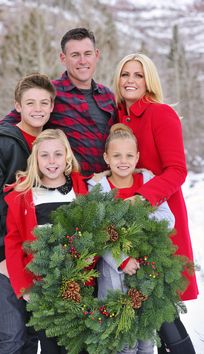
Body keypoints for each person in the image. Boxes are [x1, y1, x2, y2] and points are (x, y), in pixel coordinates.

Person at [112, 53, 197, 353]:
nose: (130, 80)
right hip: (125, 223)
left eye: (138, 75)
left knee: (159, 302)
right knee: (143, 304)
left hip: (160, 218)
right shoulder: (118, 117)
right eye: (125, 74)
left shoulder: (161, 114)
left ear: (148, 80)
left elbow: (177, 169)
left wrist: (143, 198)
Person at [0, 73, 56, 354]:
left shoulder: (53, 143)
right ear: (17, 105)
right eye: (30, 102)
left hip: (44, 248)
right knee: (13, 334)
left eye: (44, 102)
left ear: (53, 106)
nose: (38, 108)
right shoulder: (2, 142)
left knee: (36, 330)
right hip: (8, 248)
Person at [0, 27, 116, 192]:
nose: (82, 61)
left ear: (96, 55)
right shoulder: (49, 95)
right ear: (63, 58)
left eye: (87, 54)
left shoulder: (108, 96)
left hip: (107, 188)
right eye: (75, 55)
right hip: (71, 192)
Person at [88, 123, 175, 354]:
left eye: (128, 155)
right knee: (123, 341)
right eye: (116, 155)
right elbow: (99, 233)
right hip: (115, 275)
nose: (123, 161)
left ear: (137, 157)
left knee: (146, 338)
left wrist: (133, 214)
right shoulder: (98, 188)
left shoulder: (148, 181)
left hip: (147, 274)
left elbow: (168, 220)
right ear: (106, 157)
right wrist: (122, 259)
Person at [4, 128, 89, 354]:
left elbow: (94, 231)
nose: (52, 161)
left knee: (80, 346)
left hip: (79, 285)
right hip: (41, 287)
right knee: (50, 346)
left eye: (58, 154)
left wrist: (88, 265)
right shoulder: (24, 195)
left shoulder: (82, 190)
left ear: (67, 157)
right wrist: (25, 288)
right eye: (45, 155)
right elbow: (13, 243)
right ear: (35, 159)